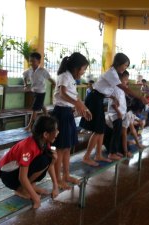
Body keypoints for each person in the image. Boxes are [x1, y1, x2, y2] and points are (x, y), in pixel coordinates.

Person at [80, 53, 148, 167]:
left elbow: (104, 89)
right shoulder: (112, 73)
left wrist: (111, 97)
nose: (125, 68)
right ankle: (86, 157)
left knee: (101, 130)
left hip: (98, 98)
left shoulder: (114, 73)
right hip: (94, 99)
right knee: (98, 130)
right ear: (119, 63)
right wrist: (140, 97)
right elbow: (124, 88)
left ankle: (98, 155)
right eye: (125, 65)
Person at [0, 116, 59, 209]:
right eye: (55, 130)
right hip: (8, 176)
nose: (57, 132)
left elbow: (49, 165)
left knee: (48, 159)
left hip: (17, 172)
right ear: (46, 134)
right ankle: (20, 189)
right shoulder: (28, 147)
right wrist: (36, 198)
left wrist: (55, 186)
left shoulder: (44, 142)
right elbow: (22, 177)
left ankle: (29, 186)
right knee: (43, 161)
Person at [52, 52, 92, 190]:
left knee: (68, 147)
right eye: (83, 69)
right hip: (61, 114)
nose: (83, 72)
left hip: (68, 114)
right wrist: (77, 104)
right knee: (61, 149)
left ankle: (66, 175)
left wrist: (84, 108)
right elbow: (63, 93)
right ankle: (57, 179)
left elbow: (75, 96)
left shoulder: (71, 78)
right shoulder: (64, 76)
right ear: (76, 68)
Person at [23, 52, 56, 131]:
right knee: (41, 105)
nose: (31, 63)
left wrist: (54, 84)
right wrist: (25, 84)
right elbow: (24, 76)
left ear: (39, 62)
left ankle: (30, 126)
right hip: (34, 91)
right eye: (30, 61)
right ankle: (48, 118)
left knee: (35, 109)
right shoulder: (29, 71)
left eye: (34, 61)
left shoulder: (42, 71)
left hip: (41, 92)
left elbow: (50, 79)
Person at [106, 70, 129, 160]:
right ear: (119, 79)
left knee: (118, 133)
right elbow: (113, 103)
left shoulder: (121, 89)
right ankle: (112, 153)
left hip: (120, 114)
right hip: (116, 114)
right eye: (125, 79)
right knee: (116, 134)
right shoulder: (115, 88)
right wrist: (119, 112)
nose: (126, 81)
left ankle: (114, 151)